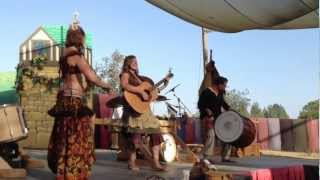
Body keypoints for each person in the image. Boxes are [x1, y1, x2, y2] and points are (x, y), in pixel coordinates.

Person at [47, 20, 112, 179]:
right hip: (73, 101)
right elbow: (92, 77)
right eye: (82, 38)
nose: (83, 41)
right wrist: (106, 86)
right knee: (78, 136)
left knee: (64, 136)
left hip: (63, 99)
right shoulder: (76, 56)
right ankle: (73, 173)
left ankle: (64, 170)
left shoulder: (64, 54)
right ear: (79, 38)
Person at [120, 55, 169, 171]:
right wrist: (140, 91)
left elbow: (152, 92)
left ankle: (156, 163)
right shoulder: (125, 74)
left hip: (145, 110)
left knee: (156, 133)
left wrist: (165, 84)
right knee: (135, 136)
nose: (135, 63)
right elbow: (124, 85)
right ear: (127, 63)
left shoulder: (141, 78)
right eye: (132, 61)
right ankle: (132, 162)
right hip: (133, 109)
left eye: (136, 61)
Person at [198, 76, 234, 163]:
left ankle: (225, 157)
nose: (225, 87)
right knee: (211, 136)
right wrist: (207, 110)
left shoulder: (220, 93)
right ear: (218, 84)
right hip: (208, 118)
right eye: (224, 85)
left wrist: (229, 109)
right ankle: (205, 157)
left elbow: (223, 103)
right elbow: (200, 104)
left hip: (218, 118)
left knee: (228, 135)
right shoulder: (206, 92)